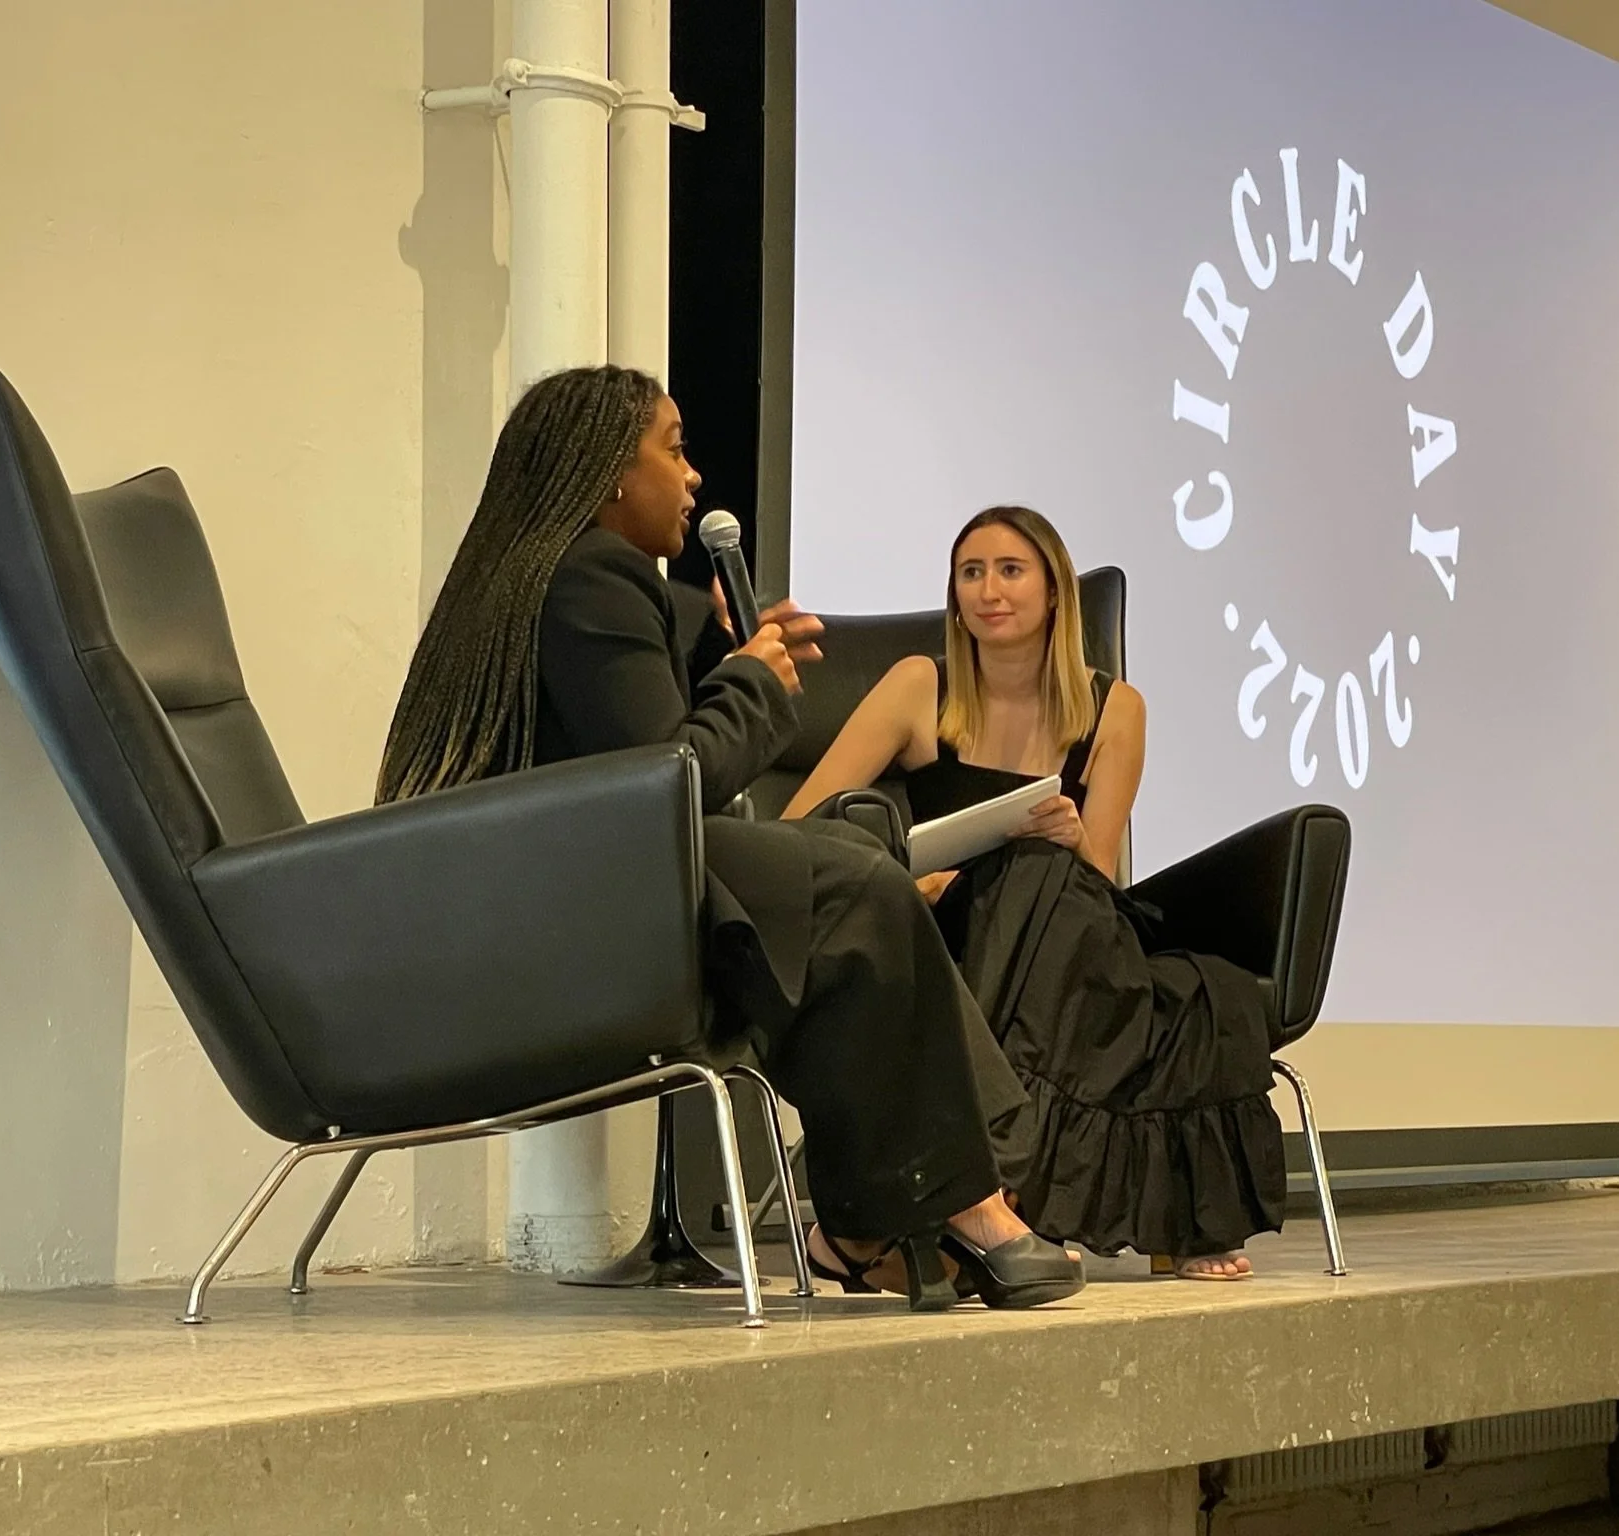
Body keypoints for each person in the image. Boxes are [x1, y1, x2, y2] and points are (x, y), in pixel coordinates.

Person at [377, 366, 1084, 1310]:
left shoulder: (538, 577)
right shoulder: (591, 574)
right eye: (672, 449)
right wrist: (750, 682)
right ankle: (936, 1208)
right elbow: (664, 788)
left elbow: (624, 757)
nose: (694, 475)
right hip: (583, 920)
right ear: (610, 477)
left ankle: (903, 1213)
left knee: (846, 885)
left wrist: (726, 660)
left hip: (536, 908)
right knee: (850, 885)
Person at [783, 506, 1286, 1279]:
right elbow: (799, 826)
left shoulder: (1114, 708)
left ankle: (976, 1200)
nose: (988, 590)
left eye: (1010, 570)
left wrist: (1066, 834)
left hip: (1069, 925)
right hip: (941, 925)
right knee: (1017, 878)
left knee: (1145, 949)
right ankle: (989, 1201)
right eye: (971, 573)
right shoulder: (919, 686)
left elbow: (1100, 867)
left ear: (1055, 592)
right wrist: (909, 883)